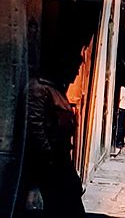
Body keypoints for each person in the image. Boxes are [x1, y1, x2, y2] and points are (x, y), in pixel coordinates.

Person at [20, 51, 85, 217]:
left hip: (59, 160)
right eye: (75, 68)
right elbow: (34, 128)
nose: (77, 73)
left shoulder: (56, 89)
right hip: (49, 163)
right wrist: (49, 157)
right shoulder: (39, 89)